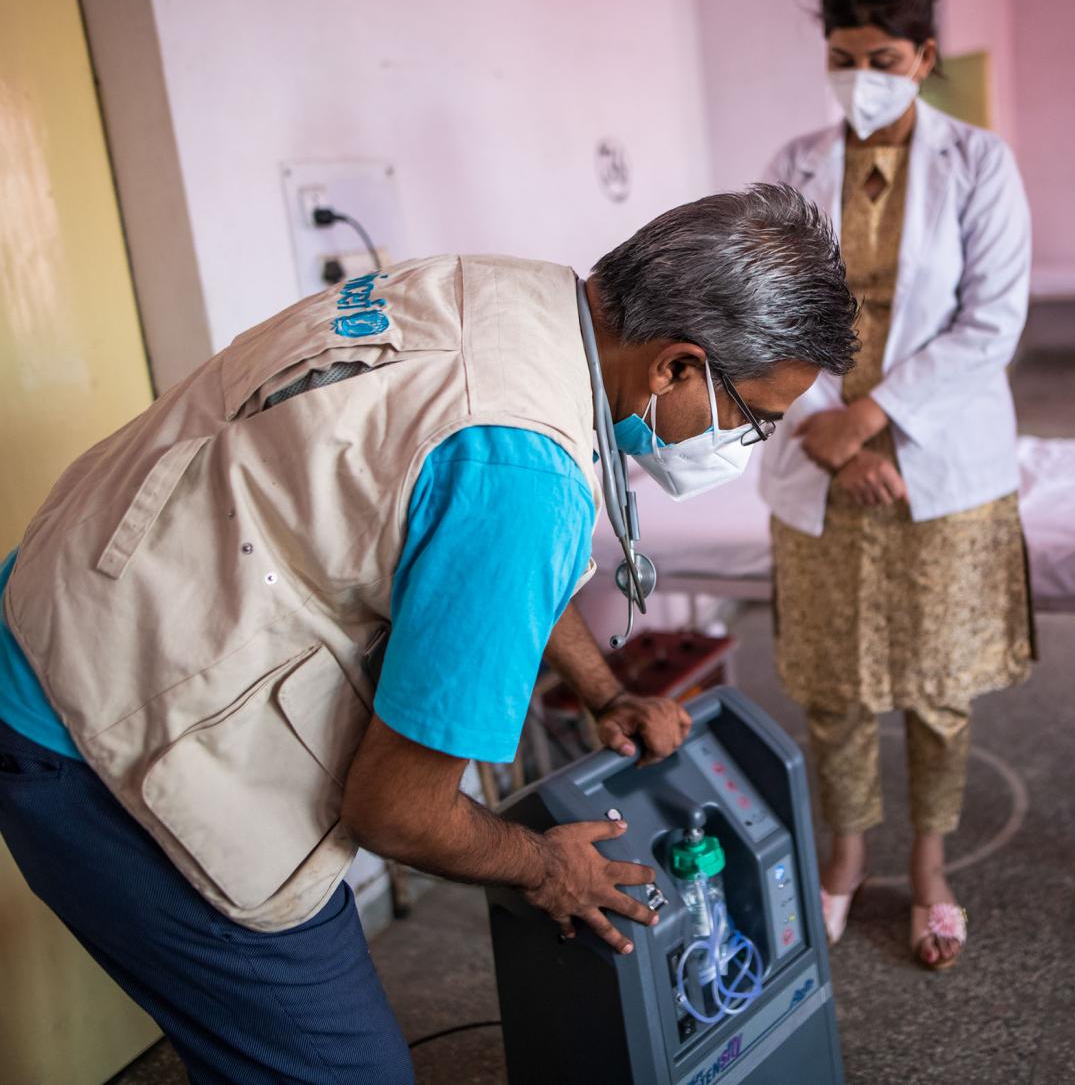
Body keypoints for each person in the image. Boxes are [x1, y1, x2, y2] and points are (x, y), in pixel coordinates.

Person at [0, 184, 858, 1083]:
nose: (749, 440)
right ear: (675, 368)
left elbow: (468, 532)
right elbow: (397, 813)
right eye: (755, 418)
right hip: (92, 734)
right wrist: (540, 865)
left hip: (75, 587)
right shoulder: (523, 476)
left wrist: (602, 689)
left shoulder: (510, 297)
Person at [759, 0, 1035, 972]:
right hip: (819, 457)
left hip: (935, 463)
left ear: (924, 57)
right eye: (844, 56)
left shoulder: (980, 162)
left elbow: (990, 319)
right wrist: (829, 430)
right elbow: (768, 310)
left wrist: (873, 422)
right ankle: (843, 862)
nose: (860, 79)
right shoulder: (791, 168)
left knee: (934, 682)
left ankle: (928, 870)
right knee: (832, 685)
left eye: (882, 58)